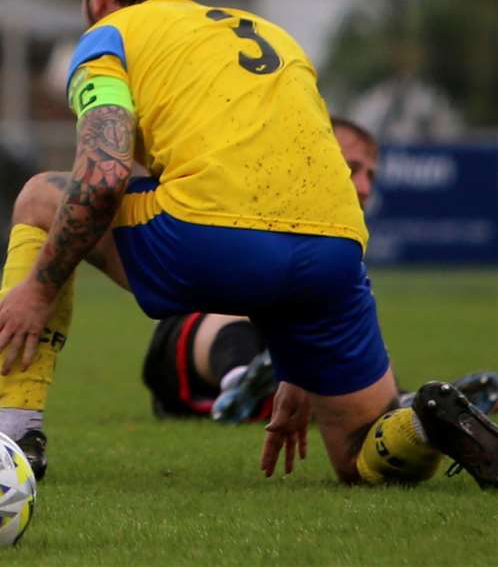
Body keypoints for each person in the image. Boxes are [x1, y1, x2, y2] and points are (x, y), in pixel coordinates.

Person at [0, 0, 498, 490]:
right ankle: (425, 421)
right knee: (358, 455)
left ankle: (17, 434)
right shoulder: (272, 34)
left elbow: (101, 175)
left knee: (42, 196)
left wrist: (39, 288)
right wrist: (302, 362)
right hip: (334, 251)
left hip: (210, 240)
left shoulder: (109, 37)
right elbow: (290, 182)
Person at [140, 118, 498, 423]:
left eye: (371, 176)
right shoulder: (245, 200)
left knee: (347, 348)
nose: (364, 188)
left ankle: (410, 408)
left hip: (293, 358)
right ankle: (243, 379)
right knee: (232, 312)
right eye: (353, 169)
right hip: (187, 345)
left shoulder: (341, 250)